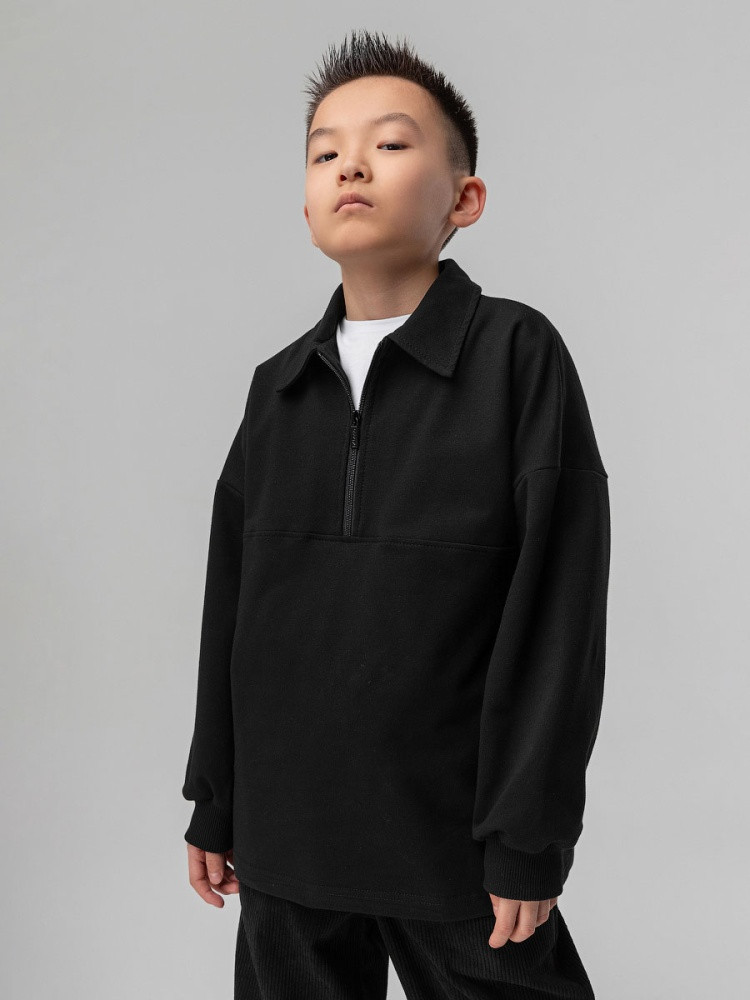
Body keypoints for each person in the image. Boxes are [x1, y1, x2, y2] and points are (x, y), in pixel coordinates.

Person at [182, 27, 610, 1000]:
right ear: (305, 202)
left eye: (389, 143)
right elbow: (233, 608)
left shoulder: (516, 358)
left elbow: (559, 612)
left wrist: (527, 835)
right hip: (287, 843)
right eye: (325, 152)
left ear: (465, 198)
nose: (352, 165)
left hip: (452, 842)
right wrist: (216, 795)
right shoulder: (277, 390)